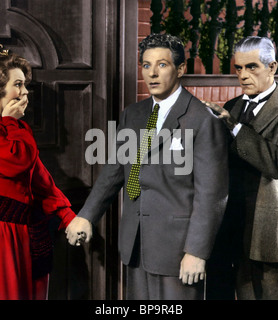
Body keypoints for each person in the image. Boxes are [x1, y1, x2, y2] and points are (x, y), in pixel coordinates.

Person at [66, 33, 229, 300]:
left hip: (178, 251)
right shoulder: (134, 114)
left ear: (180, 69)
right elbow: (115, 170)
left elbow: (212, 195)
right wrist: (86, 214)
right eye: (146, 65)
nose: (152, 73)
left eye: (162, 65)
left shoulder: (202, 120)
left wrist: (197, 252)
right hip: (136, 243)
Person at [0, 52, 76, 300]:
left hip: (30, 234)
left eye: (25, 84)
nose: (25, 92)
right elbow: (15, 162)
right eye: (18, 84)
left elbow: (41, 181)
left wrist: (68, 216)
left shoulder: (20, 129)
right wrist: (11, 123)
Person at [204, 36, 278, 300]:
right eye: (238, 68)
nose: (243, 75)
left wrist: (234, 127)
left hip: (262, 219)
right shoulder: (232, 106)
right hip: (226, 217)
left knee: (265, 291)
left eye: (252, 67)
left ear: (272, 67)